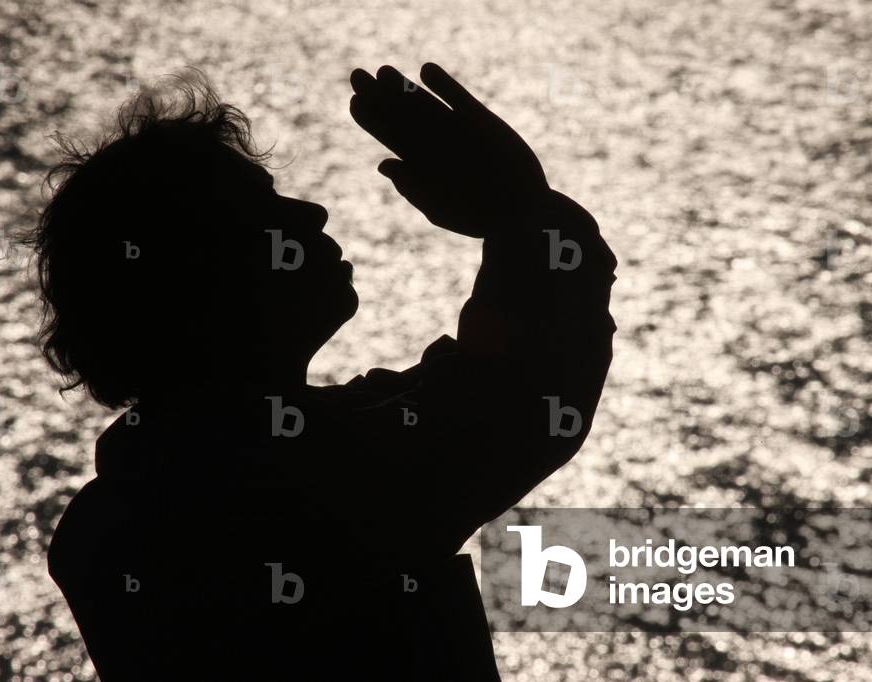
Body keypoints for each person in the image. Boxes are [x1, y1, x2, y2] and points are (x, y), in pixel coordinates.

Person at [30, 63, 617, 680]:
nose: (310, 211)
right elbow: (520, 398)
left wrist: (522, 219)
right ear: (195, 285)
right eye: (258, 211)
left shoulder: (113, 515)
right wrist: (523, 215)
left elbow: (469, 389)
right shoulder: (306, 481)